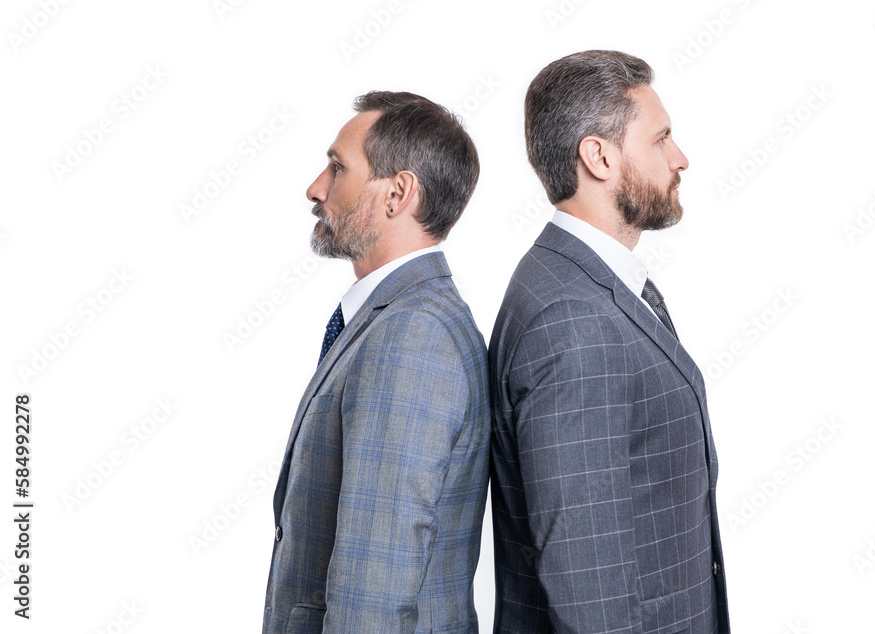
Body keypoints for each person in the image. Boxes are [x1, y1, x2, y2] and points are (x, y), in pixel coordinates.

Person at [489, 51, 731, 633]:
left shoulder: (589, 283)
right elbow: (587, 580)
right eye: (661, 139)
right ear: (599, 157)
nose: (680, 157)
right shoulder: (572, 320)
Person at [262, 91, 490, 634]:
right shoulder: (401, 318)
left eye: (338, 168)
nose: (316, 188)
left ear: (398, 193)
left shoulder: (412, 335)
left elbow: (375, 586)